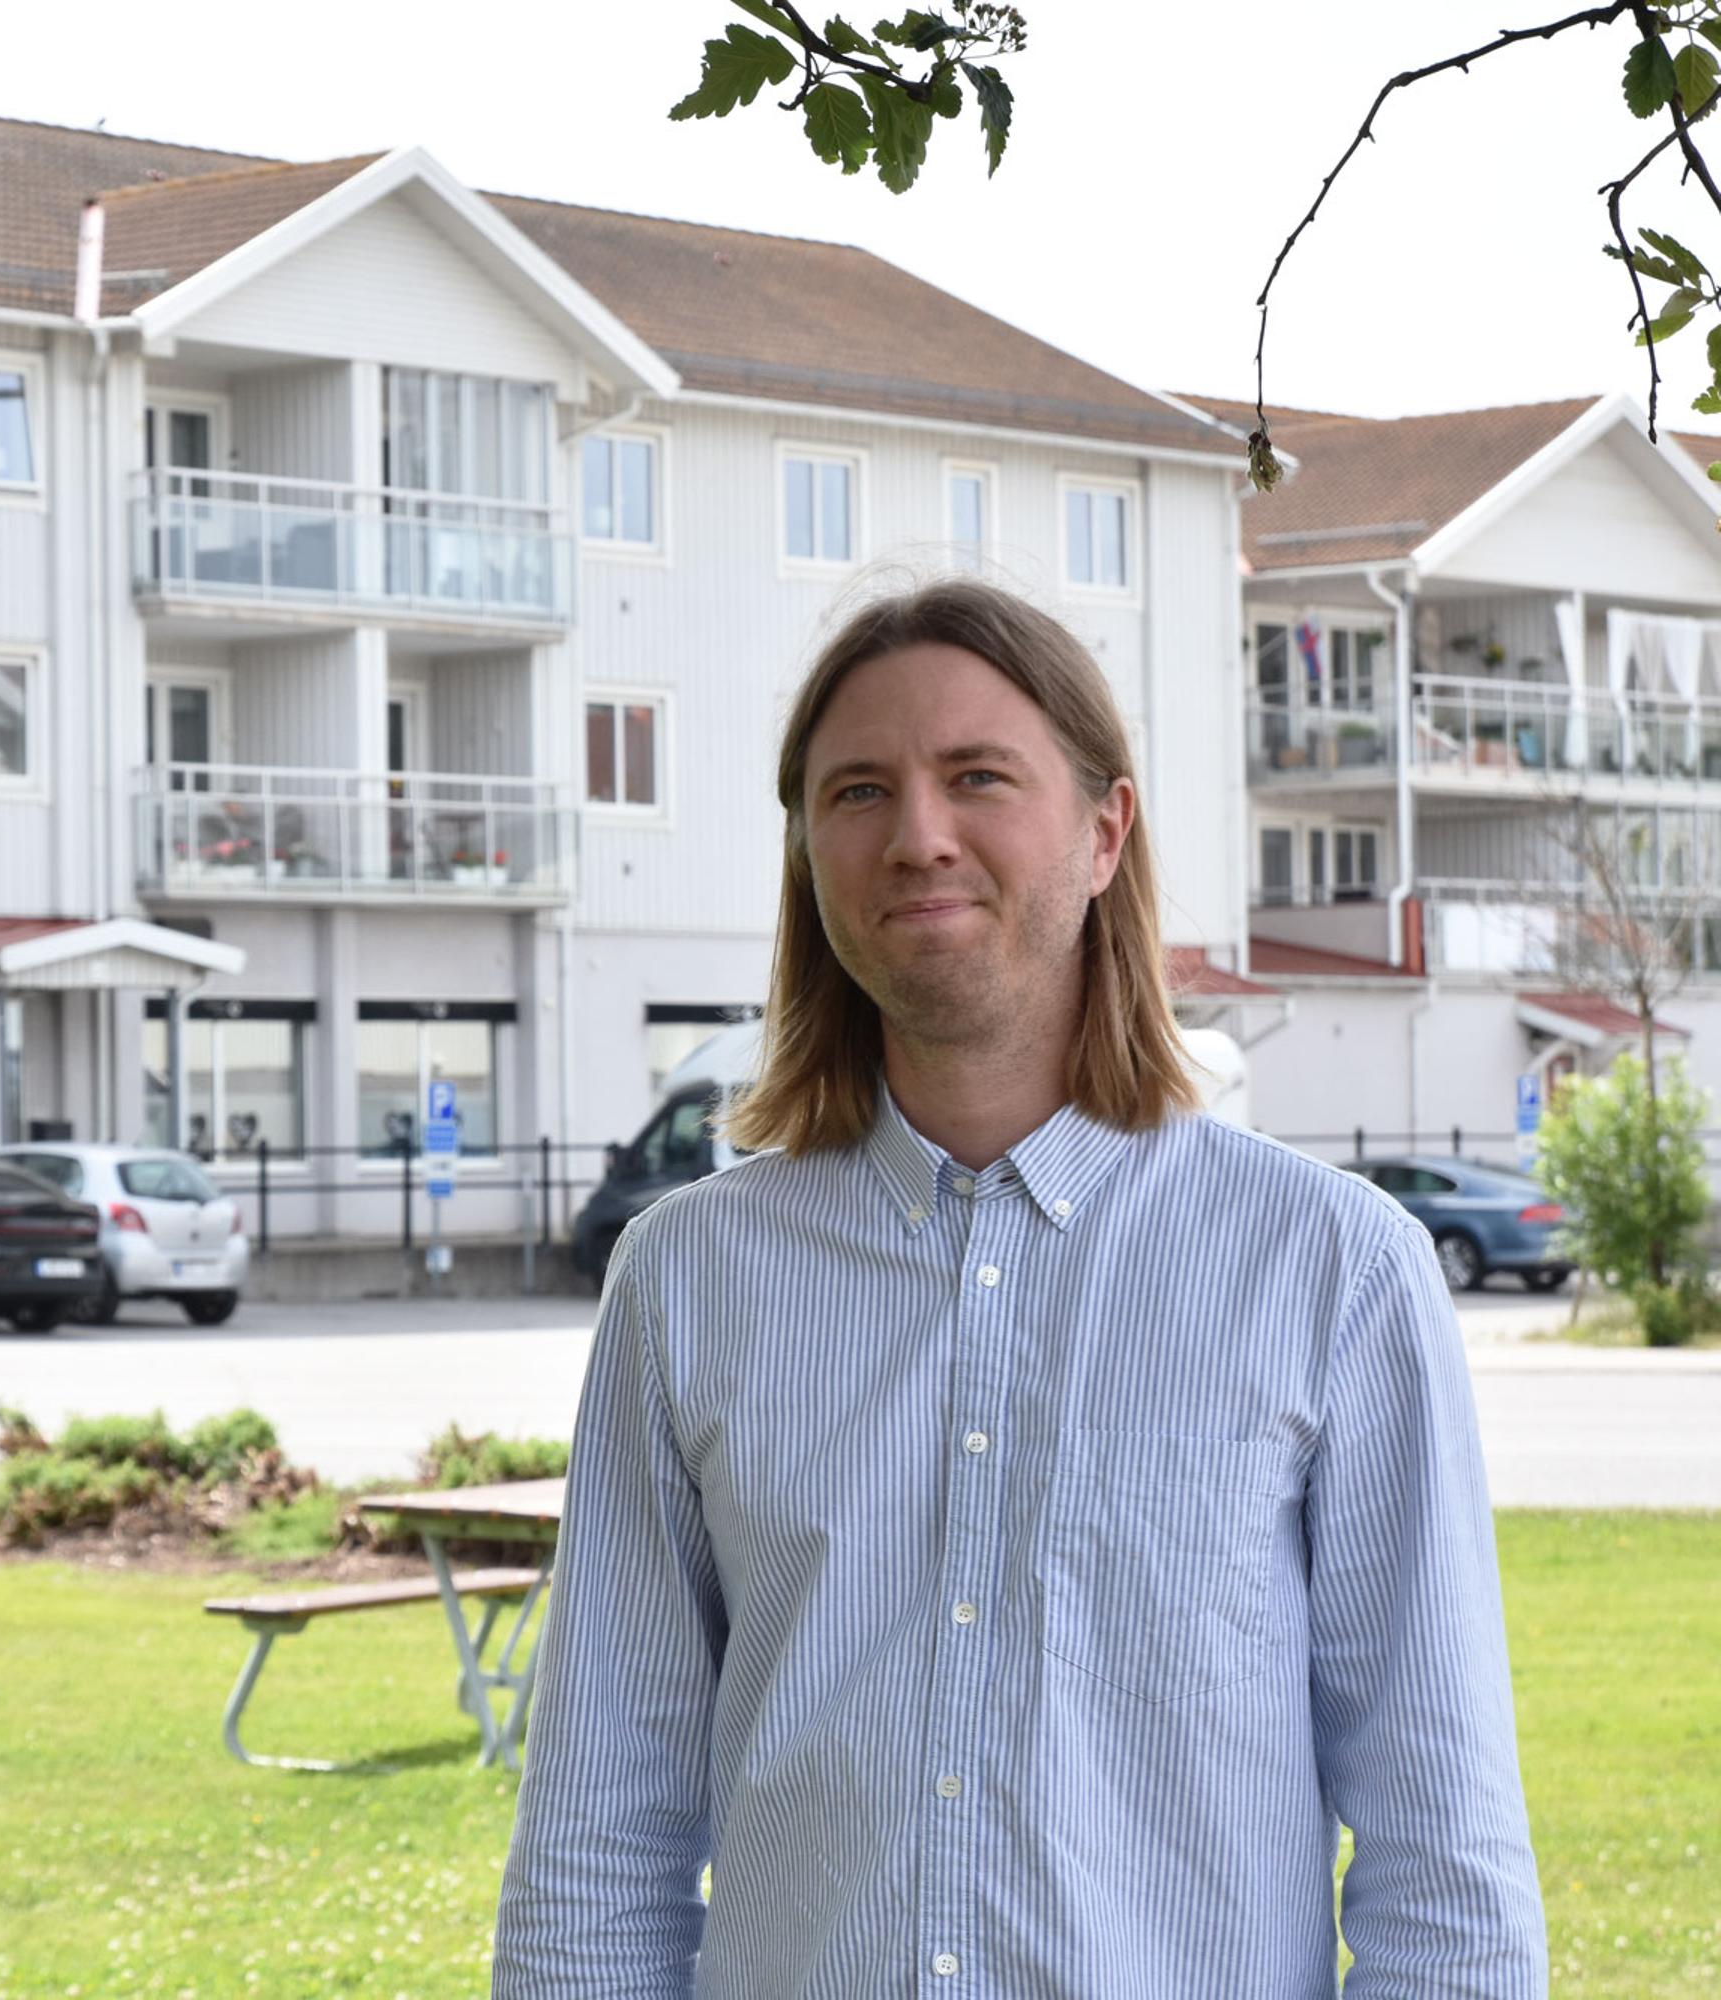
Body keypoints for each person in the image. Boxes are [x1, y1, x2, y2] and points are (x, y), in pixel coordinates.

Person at [492, 577, 1546, 1998]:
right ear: (807, 850)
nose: (918, 836)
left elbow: (1446, 1864)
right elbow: (597, 1841)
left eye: (977, 776)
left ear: (1106, 830)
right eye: (857, 791)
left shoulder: (1333, 1274)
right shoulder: (685, 1283)